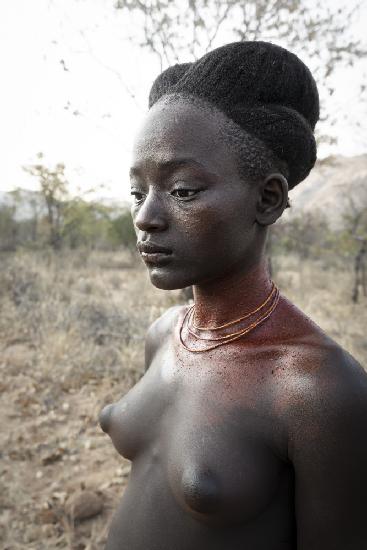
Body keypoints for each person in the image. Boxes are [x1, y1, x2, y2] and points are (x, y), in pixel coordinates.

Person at [99, 41, 367, 549]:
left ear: (266, 199)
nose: (144, 217)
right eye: (139, 192)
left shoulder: (319, 390)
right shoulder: (164, 335)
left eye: (181, 190)